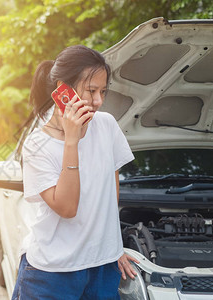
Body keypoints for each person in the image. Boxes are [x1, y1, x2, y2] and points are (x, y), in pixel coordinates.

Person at [12, 45, 139, 300]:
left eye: (103, 91)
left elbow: (109, 197)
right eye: (91, 91)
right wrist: (72, 140)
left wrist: (114, 248)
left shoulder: (106, 126)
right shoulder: (37, 145)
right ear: (63, 90)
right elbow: (68, 208)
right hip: (51, 275)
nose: (98, 101)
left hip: (102, 270)